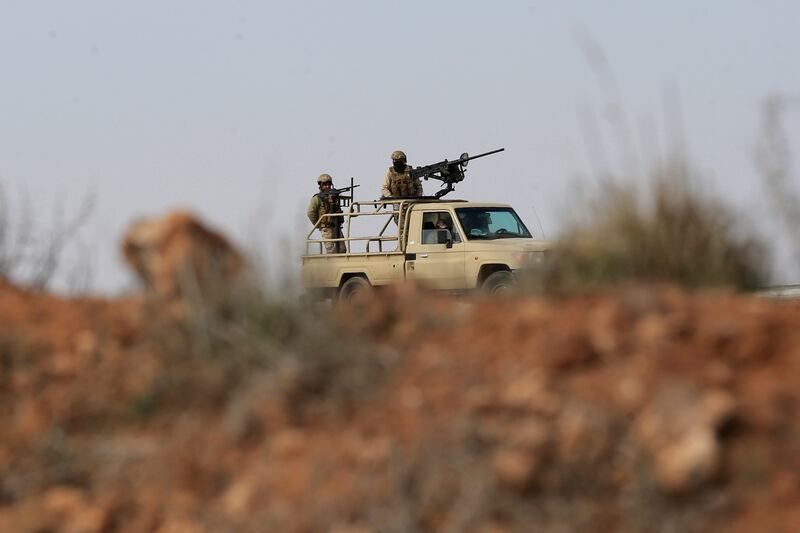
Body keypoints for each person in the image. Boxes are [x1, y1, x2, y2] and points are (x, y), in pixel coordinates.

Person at [307, 173, 346, 254]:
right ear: (320, 186)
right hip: (326, 229)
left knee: (342, 249)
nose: (327, 186)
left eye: (329, 184)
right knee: (331, 251)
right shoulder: (317, 198)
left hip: (336, 226)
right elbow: (310, 213)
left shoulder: (334, 197)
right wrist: (318, 224)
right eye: (325, 184)